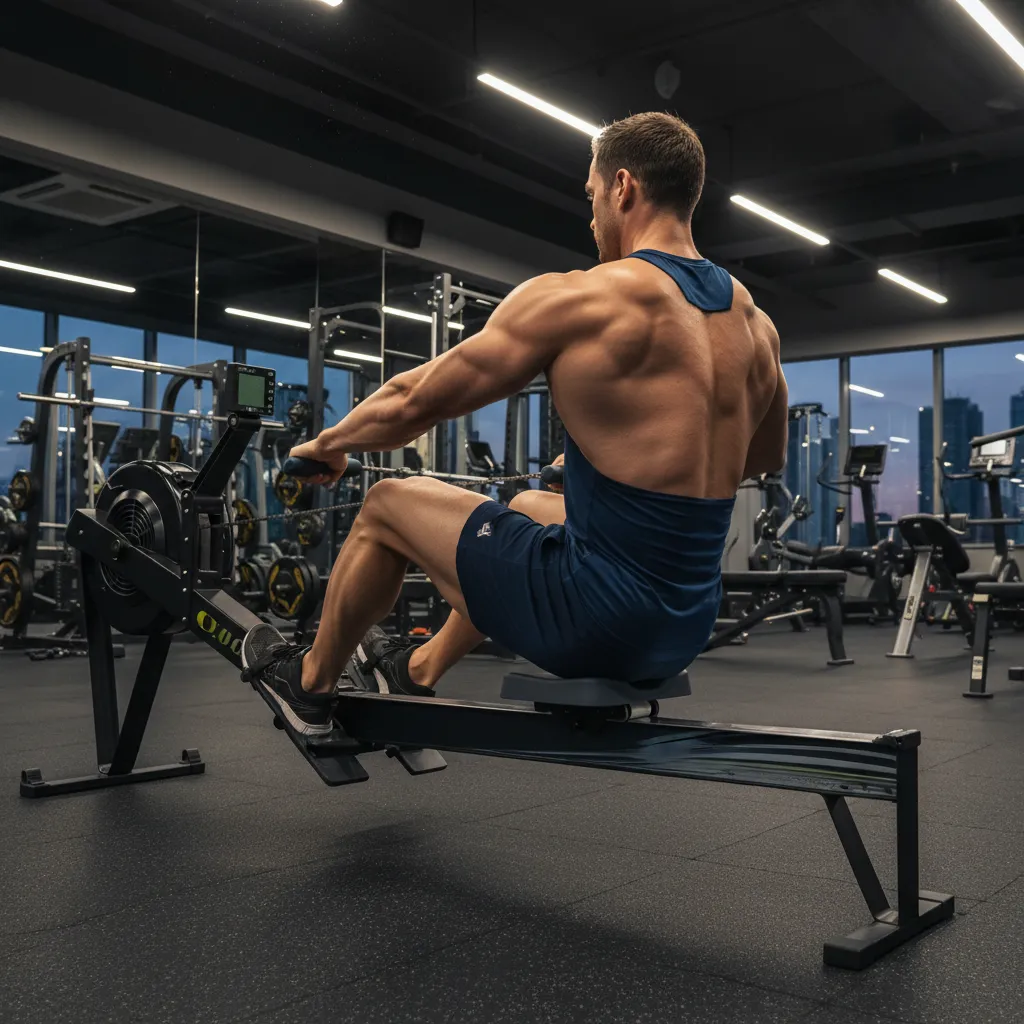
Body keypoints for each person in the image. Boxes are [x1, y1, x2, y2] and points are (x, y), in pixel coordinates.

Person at [241, 111, 788, 736]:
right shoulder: (756, 325)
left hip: (597, 621)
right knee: (528, 505)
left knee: (388, 502)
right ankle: (418, 668)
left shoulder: (584, 297)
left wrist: (330, 443)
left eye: (591, 196)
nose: (591, 218)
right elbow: (761, 456)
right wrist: (608, 465)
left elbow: (413, 401)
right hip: (687, 625)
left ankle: (309, 685)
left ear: (623, 188)